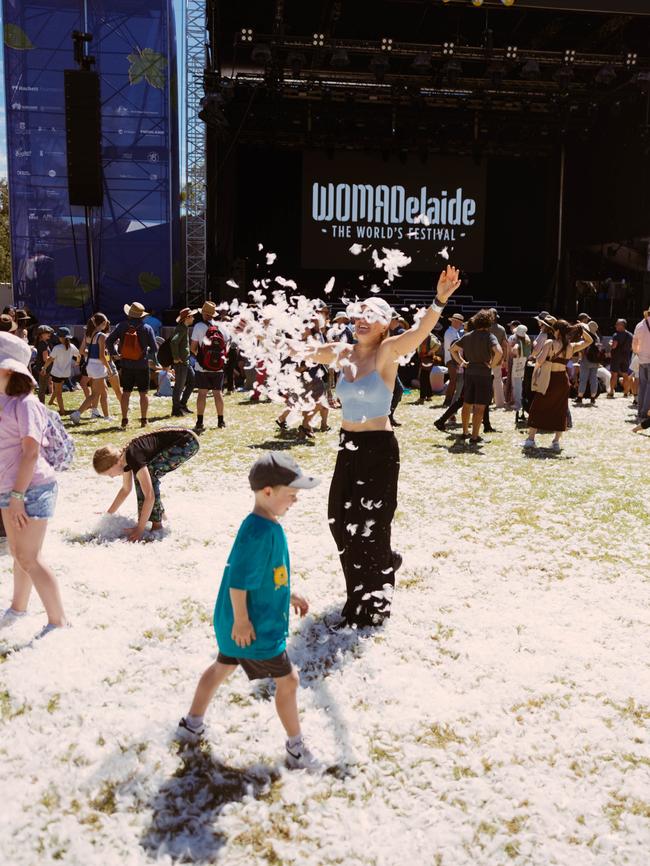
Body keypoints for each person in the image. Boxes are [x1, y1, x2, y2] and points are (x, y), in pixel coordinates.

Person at [293, 266, 461, 628]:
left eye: (373, 316)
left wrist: (439, 301)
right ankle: (372, 576)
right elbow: (305, 350)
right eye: (360, 314)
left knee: (370, 528)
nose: (363, 320)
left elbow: (419, 333)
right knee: (340, 521)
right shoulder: (343, 352)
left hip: (379, 450)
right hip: (347, 447)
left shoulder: (387, 351)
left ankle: (372, 605)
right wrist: (264, 336)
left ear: (385, 325)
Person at [177, 452, 321, 770]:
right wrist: (242, 622)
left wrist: (288, 594)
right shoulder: (260, 532)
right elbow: (239, 582)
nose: (295, 502)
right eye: (291, 495)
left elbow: (266, 574)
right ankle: (296, 748)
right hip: (253, 629)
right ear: (268, 492)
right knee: (289, 681)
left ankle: (191, 724)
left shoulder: (263, 524)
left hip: (238, 625)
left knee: (221, 668)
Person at [0, 332, 69, 638]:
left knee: (29, 557)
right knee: (19, 554)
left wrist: (16, 496)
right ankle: (18, 607)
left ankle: (58, 622)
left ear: (8, 369)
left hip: (31, 490)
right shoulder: (4, 402)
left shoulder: (27, 404)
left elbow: (30, 453)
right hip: (9, 490)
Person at [93, 427, 200, 542]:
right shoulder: (125, 460)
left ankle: (157, 526)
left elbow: (149, 496)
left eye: (109, 473)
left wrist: (140, 528)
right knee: (143, 478)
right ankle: (161, 517)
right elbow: (125, 489)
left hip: (187, 442)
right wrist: (108, 514)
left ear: (115, 463)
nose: (112, 477)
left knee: (148, 475)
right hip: (185, 439)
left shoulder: (132, 457)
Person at [524, 320, 593, 452]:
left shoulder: (550, 343)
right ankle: (556, 442)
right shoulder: (571, 346)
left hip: (549, 378)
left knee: (537, 406)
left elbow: (539, 360)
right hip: (562, 380)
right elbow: (589, 341)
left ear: (557, 331)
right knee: (560, 409)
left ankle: (530, 439)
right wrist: (581, 329)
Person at [450, 309, 503, 444]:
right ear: (489, 322)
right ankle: (474, 437)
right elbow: (499, 352)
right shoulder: (490, 336)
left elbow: (452, 349)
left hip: (470, 373)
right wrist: (492, 365)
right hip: (483, 374)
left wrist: (462, 362)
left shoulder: (468, 335)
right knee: (480, 406)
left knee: (467, 404)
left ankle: (464, 432)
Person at [105, 302, 159, 429]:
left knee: (126, 393)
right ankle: (144, 420)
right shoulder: (147, 328)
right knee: (143, 393)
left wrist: (115, 354)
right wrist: (146, 355)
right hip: (142, 365)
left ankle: (124, 419)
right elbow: (154, 348)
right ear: (142, 316)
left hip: (126, 364)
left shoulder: (121, 326)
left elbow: (109, 341)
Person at [191, 300, 230, 432]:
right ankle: (221, 421)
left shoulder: (198, 327)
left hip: (202, 367)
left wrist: (201, 358)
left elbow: (193, 347)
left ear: (203, 314)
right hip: (218, 367)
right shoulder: (222, 327)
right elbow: (227, 347)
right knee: (218, 393)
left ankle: (200, 422)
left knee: (202, 393)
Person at [70, 313, 113, 423]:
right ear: (103, 323)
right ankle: (77, 413)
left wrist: (90, 354)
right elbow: (102, 356)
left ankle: (105, 416)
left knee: (103, 392)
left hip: (90, 365)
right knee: (95, 394)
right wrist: (109, 368)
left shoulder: (88, 334)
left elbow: (81, 351)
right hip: (98, 367)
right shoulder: (102, 336)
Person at [43, 328, 81, 415]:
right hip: (66, 373)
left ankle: (62, 411)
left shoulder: (57, 348)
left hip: (57, 373)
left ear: (60, 337)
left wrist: (44, 368)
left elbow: (50, 360)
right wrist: (77, 362)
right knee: (58, 388)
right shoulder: (72, 346)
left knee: (59, 392)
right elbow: (78, 355)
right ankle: (51, 401)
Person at [170, 307, 197, 417]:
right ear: (187, 317)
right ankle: (176, 410)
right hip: (181, 363)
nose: (194, 318)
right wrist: (176, 357)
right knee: (179, 386)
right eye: (192, 316)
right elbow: (173, 342)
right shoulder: (181, 329)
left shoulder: (184, 328)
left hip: (186, 361)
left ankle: (182, 404)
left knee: (192, 381)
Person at [575, 321, 601, 406]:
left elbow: (581, 349)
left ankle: (580, 397)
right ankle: (593, 397)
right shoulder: (597, 338)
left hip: (586, 360)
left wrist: (580, 358)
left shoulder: (586, 337)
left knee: (583, 379)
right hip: (595, 361)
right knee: (594, 379)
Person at [443, 312, 464, 406]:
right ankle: (448, 400)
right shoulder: (451, 332)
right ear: (455, 322)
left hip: (453, 359)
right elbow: (454, 347)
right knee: (453, 380)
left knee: (454, 380)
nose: (460, 325)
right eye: (459, 323)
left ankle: (450, 400)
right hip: (452, 359)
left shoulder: (453, 332)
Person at [608, 318, 633, 398]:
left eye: (617, 324)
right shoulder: (630, 335)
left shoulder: (616, 335)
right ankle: (626, 392)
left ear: (622, 325)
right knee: (625, 374)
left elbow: (614, 346)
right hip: (626, 357)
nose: (615, 326)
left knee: (614, 374)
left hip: (616, 357)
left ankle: (611, 391)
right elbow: (632, 347)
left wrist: (610, 344)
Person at [488, 308, 508, 409]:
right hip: (498, 356)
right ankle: (499, 402)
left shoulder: (484, 328)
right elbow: (505, 345)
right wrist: (504, 358)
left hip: (486, 357)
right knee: (497, 379)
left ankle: (486, 401)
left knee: (486, 379)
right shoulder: (501, 329)